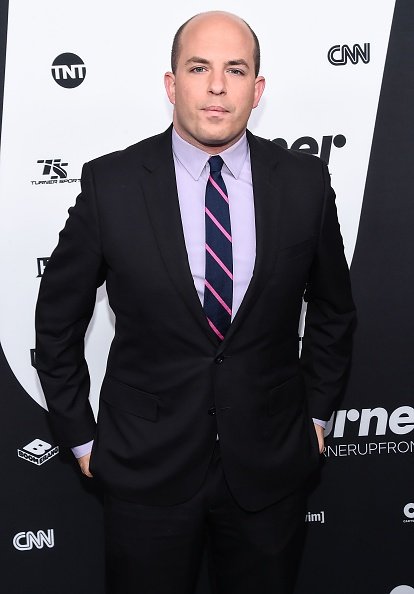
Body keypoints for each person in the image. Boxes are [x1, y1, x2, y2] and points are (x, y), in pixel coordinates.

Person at [35, 10, 355, 594]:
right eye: (199, 67)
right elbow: (56, 321)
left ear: (257, 90)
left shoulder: (306, 184)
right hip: (145, 470)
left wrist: (316, 416)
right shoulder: (112, 184)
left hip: (270, 469)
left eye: (235, 70)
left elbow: (335, 311)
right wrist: (81, 437)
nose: (216, 86)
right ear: (171, 83)